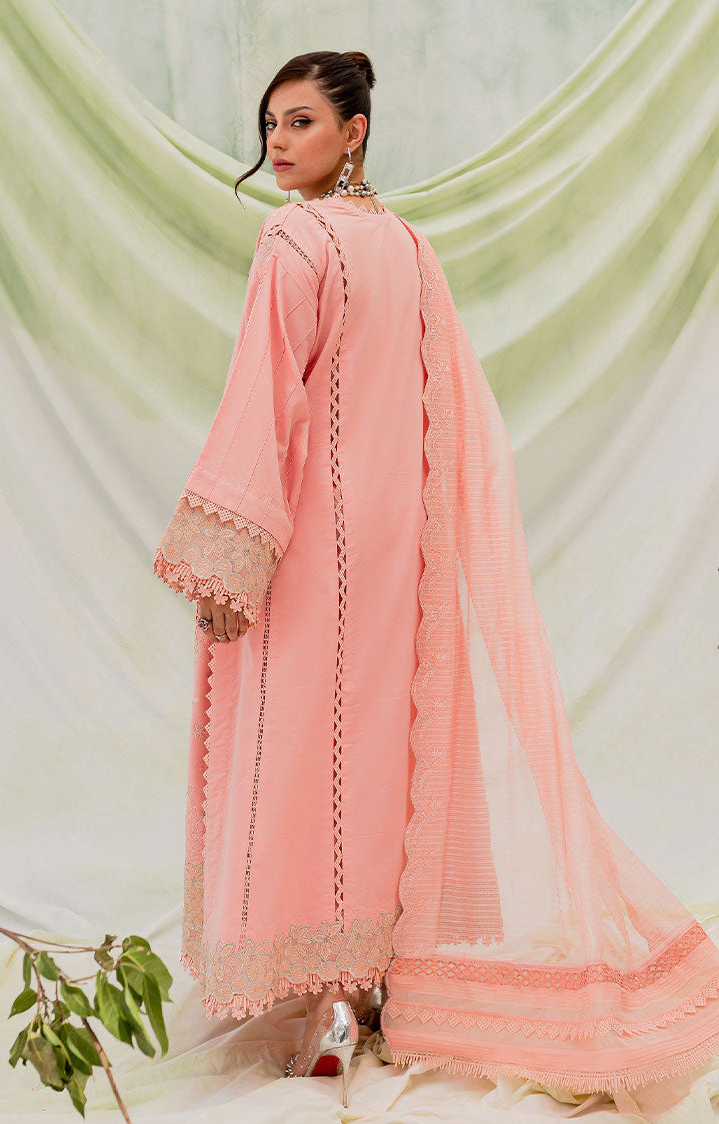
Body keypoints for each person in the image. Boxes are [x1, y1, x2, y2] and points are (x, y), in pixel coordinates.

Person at [154, 50, 719, 1107]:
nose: (279, 141)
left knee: (294, 750)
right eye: (271, 123)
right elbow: (443, 412)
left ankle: (327, 1001)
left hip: (306, 539)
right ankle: (368, 983)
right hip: (395, 543)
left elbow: (264, 397)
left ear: (354, 131)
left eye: (302, 121)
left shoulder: (292, 238)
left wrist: (229, 549)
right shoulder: (409, 247)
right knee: (373, 752)